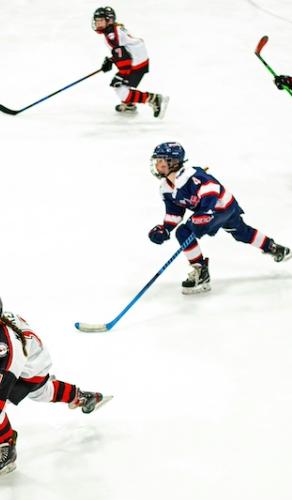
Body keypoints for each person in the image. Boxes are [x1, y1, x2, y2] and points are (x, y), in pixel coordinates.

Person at [0, 288, 109, 480]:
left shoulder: (4, 349)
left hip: (28, 371)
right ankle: (81, 396)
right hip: (29, 361)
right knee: (43, 392)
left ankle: (7, 447)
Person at [148, 142, 291, 294]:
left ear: (175, 162)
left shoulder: (191, 176)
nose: (158, 164)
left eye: (163, 160)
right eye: (157, 161)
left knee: (184, 232)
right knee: (242, 232)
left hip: (219, 208)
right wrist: (166, 229)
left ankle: (201, 272)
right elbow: (175, 212)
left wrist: (205, 213)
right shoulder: (166, 188)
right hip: (222, 208)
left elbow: (211, 189)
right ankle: (273, 247)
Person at [92, 6, 168, 118]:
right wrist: (112, 60)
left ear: (110, 20)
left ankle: (153, 99)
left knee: (119, 88)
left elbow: (125, 58)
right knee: (123, 85)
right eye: (97, 20)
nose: (98, 23)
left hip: (136, 63)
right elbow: (124, 51)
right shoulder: (113, 29)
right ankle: (129, 104)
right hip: (138, 59)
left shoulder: (111, 35)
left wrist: (121, 75)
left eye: (101, 20)